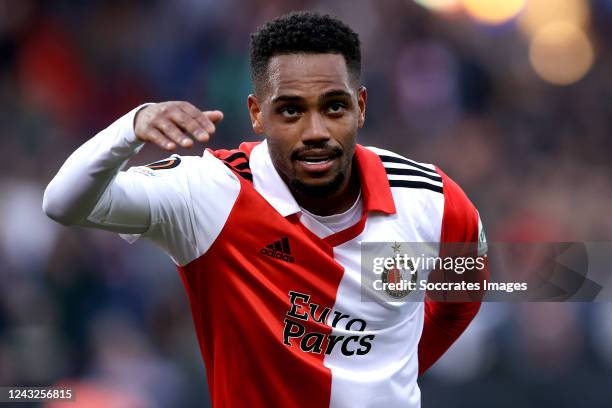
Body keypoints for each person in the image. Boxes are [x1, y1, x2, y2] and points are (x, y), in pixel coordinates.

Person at [43, 11, 487, 408]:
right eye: (291, 110)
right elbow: (63, 203)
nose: (315, 131)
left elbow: (463, 298)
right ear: (257, 114)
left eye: (334, 107)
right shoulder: (209, 191)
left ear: (361, 107)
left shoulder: (433, 200)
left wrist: (399, 364)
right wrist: (132, 126)